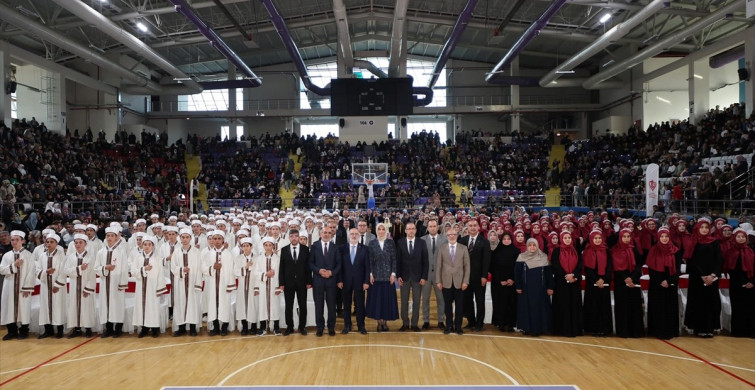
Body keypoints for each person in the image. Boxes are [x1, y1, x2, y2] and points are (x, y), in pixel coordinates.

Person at [683, 219, 722, 338]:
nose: (704, 229)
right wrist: (702, 275)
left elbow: (719, 260)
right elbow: (691, 261)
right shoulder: (693, 241)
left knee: (711, 302)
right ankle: (698, 328)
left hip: (712, 279)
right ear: (697, 229)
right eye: (702, 227)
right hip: (697, 278)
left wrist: (713, 275)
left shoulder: (714, 242)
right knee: (698, 303)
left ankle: (710, 328)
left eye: (706, 227)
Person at [94, 227, 130, 338]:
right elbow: (96, 268)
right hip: (105, 283)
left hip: (117, 283)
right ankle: (108, 329)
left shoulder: (121, 252)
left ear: (116, 237)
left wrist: (123, 283)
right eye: (108, 235)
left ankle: (118, 328)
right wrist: (106, 268)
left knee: (117, 305)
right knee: (105, 305)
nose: (109, 238)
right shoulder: (101, 252)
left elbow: (124, 269)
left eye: (112, 236)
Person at [514, 238, 553, 336]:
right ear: (527, 246)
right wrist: (518, 286)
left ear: (537, 246)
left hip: (540, 290)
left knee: (539, 309)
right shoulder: (521, 257)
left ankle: (538, 329)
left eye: (534, 245)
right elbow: (517, 273)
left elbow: (549, 275)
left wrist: (550, 287)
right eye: (530, 245)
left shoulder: (543, 257)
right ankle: (526, 328)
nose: (532, 247)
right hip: (526, 289)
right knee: (526, 308)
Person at [647, 227, 680, 339]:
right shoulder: (653, 250)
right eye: (662, 236)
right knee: (659, 308)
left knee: (670, 307)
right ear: (658, 237)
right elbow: (651, 269)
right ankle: (658, 331)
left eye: (666, 236)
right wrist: (661, 282)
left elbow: (678, 270)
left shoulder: (675, 251)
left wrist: (669, 281)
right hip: (657, 284)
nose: (664, 238)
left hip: (670, 283)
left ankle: (670, 331)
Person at [0, 231, 35, 340]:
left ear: (23, 241)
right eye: (12, 240)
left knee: (23, 308)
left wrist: (27, 287)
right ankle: (12, 331)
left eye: (17, 240)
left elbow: (31, 272)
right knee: (9, 308)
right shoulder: (7, 255)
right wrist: (14, 265)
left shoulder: (28, 255)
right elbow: (1, 270)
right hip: (9, 286)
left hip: (23, 287)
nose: (14, 242)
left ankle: (24, 330)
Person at [131, 235, 167, 338]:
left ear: (153, 246)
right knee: (142, 308)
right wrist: (144, 269)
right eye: (145, 244)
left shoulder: (157, 258)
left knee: (153, 307)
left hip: (152, 287)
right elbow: (133, 272)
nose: (147, 247)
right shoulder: (137, 257)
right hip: (141, 286)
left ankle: (155, 328)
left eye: (149, 245)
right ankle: (144, 328)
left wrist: (160, 288)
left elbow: (161, 274)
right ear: (142, 245)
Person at [611, 228, 644, 338]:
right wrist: (626, 278)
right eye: (624, 237)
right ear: (620, 237)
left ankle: (636, 332)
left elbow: (638, 266)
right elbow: (616, 267)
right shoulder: (615, 250)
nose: (626, 239)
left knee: (634, 306)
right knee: (622, 307)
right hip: (621, 282)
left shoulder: (634, 250)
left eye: (628, 236)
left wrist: (632, 278)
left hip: (633, 281)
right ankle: (623, 331)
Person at [366, 223, 399, 332]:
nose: (381, 231)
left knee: (386, 301)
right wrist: (370, 274)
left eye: (382, 229)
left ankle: (385, 322)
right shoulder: (372, 243)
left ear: (386, 231)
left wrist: (393, 274)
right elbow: (369, 260)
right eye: (379, 229)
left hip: (388, 277)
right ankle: (379, 323)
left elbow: (394, 259)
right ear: (376, 231)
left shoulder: (390, 243)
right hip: (375, 277)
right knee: (377, 301)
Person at [436, 227, 469, 335]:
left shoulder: (463, 248)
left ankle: (458, 326)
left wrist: (465, 281)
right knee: (447, 306)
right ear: (447, 236)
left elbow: (467, 267)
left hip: (460, 282)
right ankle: (449, 325)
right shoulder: (442, 248)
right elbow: (439, 266)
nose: (452, 236)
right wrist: (438, 281)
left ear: (457, 235)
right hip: (446, 282)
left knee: (459, 306)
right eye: (449, 235)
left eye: (454, 234)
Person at [308, 225, 340, 336]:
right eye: (324, 232)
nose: (326, 234)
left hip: (331, 281)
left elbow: (339, 264)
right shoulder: (314, 246)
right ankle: (320, 328)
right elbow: (310, 263)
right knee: (319, 306)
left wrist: (332, 272)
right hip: (318, 281)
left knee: (331, 306)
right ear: (320, 234)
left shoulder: (335, 247)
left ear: (331, 235)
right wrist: (318, 271)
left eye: (328, 233)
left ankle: (331, 327)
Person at [396, 222, 428, 332]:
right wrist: (398, 275)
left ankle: (414, 324)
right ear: (405, 231)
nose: (411, 231)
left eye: (413, 229)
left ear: (415, 230)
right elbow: (398, 261)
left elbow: (425, 261)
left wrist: (424, 277)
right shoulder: (400, 242)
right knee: (403, 301)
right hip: (404, 277)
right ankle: (405, 323)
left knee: (417, 301)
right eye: (408, 229)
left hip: (418, 277)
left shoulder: (422, 243)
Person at [171, 228, 203, 337]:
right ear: (180, 238)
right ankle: (181, 327)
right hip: (180, 282)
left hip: (192, 283)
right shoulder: (176, 251)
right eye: (183, 237)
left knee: (192, 304)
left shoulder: (196, 252)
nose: (185, 239)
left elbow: (199, 269)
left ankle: (193, 327)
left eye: (187, 237)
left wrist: (198, 284)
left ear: (190, 238)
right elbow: (173, 267)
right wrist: (181, 270)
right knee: (180, 304)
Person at [203, 230, 236, 336]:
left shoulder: (228, 254)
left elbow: (231, 270)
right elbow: (203, 268)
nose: (217, 241)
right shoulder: (209, 254)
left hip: (224, 284)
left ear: (223, 240)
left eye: (219, 239)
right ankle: (215, 327)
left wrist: (230, 285)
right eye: (215, 239)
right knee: (213, 305)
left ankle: (224, 327)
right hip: (212, 284)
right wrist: (213, 267)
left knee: (224, 305)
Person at [458, 219, 490, 332]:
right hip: (465, 277)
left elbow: (486, 261)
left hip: (479, 277)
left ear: (478, 227)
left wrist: (484, 276)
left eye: (474, 226)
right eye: (470, 226)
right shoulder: (462, 241)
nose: (472, 228)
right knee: (467, 300)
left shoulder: (485, 242)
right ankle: (471, 322)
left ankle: (479, 323)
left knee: (480, 301)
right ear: (467, 228)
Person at [63, 234, 97, 338]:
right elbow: (66, 271)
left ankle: (88, 328)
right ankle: (76, 328)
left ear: (85, 244)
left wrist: (88, 288)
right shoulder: (70, 257)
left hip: (85, 286)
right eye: (76, 242)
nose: (78, 244)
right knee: (74, 306)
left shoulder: (91, 258)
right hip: (74, 286)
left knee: (86, 307)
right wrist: (79, 269)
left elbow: (92, 274)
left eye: (80, 242)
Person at [279, 229, 312, 336]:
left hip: (302, 282)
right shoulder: (284, 250)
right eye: (292, 236)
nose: (294, 238)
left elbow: (308, 267)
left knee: (302, 305)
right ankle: (289, 327)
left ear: (299, 237)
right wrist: (282, 283)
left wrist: (309, 281)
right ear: (289, 237)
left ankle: (302, 327)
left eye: (296, 236)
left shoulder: (305, 249)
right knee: (289, 306)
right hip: (288, 283)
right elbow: (281, 268)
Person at [338, 228, 370, 334]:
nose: (354, 236)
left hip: (360, 282)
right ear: (348, 235)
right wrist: (340, 280)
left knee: (360, 305)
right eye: (352, 234)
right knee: (346, 305)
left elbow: (367, 267)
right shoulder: (342, 248)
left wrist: (366, 282)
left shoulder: (365, 249)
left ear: (359, 236)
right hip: (345, 282)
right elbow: (339, 267)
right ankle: (347, 325)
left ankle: (361, 326)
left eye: (356, 234)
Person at [550, 231, 583, 337]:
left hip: (574, 282)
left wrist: (573, 275)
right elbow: (555, 265)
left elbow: (580, 265)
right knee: (562, 305)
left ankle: (575, 329)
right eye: (565, 238)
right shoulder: (556, 251)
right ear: (561, 239)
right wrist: (566, 275)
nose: (567, 239)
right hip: (561, 283)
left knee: (574, 305)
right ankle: (562, 330)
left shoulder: (576, 250)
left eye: (569, 237)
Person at [723, 228, 754, 338]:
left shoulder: (750, 251)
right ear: (734, 238)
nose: (741, 239)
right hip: (737, 285)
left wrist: (751, 282)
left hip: (751, 285)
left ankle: (750, 331)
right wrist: (743, 282)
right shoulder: (730, 252)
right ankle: (738, 331)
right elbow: (732, 269)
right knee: (737, 308)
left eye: (743, 237)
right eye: (738, 236)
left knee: (750, 308)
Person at [582, 229, 613, 336]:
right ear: (591, 239)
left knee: (604, 305)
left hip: (604, 283)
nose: (598, 240)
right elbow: (588, 268)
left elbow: (609, 266)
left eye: (599, 238)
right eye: (595, 238)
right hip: (592, 283)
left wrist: (603, 279)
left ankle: (604, 329)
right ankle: (593, 329)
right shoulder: (587, 251)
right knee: (593, 305)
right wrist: (596, 279)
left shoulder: (606, 250)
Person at [36, 233, 67, 339]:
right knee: (45, 307)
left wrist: (58, 284)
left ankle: (59, 330)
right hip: (45, 286)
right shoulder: (42, 256)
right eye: (47, 242)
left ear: (56, 243)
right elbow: (37, 270)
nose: (49, 244)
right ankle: (48, 330)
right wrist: (46, 272)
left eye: (51, 242)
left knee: (58, 307)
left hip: (57, 287)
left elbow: (64, 271)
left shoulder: (61, 256)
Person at [490, 231, 519, 332]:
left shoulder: (517, 252)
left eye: (509, 239)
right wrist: (500, 280)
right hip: (499, 284)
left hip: (512, 284)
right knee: (500, 303)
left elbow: (517, 268)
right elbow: (493, 268)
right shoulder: (496, 252)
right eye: (504, 239)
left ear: (512, 240)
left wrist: (512, 279)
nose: (507, 241)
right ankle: (501, 323)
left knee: (511, 304)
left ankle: (510, 324)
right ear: (501, 240)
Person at [421, 219, 447, 330]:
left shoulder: (444, 240)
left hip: (439, 275)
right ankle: (426, 321)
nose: (432, 228)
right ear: (428, 228)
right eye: (430, 226)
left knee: (441, 299)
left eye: (434, 226)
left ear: (438, 227)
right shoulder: (422, 240)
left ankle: (441, 320)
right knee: (425, 299)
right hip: (425, 275)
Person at [255, 237, 282, 335]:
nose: (268, 247)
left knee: (275, 306)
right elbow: (256, 272)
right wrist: (266, 274)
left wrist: (280, 287)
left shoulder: (277, 259)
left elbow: (280, 273)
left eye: (270, 245)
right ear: (263, 246)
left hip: (274, 286)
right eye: (266, 245)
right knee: (262, 306)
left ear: (273, 246)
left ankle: (276, 327)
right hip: (263, 286)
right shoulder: (259, 258)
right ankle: (263, 327)